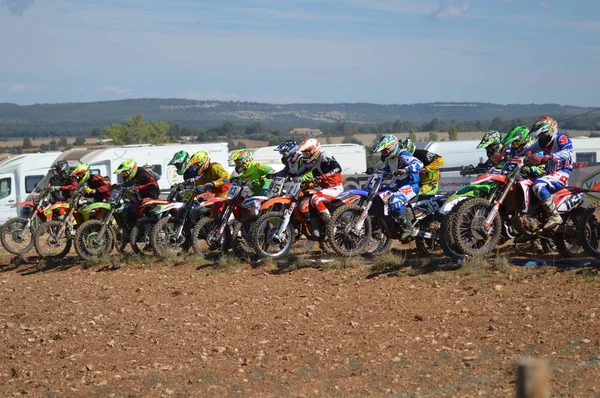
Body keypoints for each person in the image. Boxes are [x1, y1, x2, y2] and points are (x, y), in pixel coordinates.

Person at [522, 116, 574, 230]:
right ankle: (531, 219)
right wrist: (510, 157)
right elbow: (527, 152)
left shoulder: (560, 138)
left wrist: (548, 157)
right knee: (525, 183)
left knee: (538, 185)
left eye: (542, 134)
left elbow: (568, 152)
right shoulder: (540, 142)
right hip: (549, 174)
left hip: (562, 172)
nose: (540, 137)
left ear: (550, 131)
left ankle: (554, 216)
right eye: (539, 135)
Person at [372, 135, 424, 240]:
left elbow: (419, 163)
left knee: (395, 200)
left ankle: (408, 228)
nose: (383, 153)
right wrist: (374, 171)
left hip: (410, 185)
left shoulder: (402, 154)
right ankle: (381, 224)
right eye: (382, 151)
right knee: (378, 197)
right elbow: (386, 169)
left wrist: (407, 169)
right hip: (397, 185)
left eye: (385, 150)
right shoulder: (391, 158)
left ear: (393, 146)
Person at [297, 138, 343, 224]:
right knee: (305, 196)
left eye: (306, 152)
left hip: (334, 188)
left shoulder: (324, 156)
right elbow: (300, 172)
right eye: (303, 153)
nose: (305, 155)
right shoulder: (313, 160)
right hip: (323, 188)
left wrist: (323, 177)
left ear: (314, 150)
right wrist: (291, 178)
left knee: (316, 199)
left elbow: (337, 168)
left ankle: (331, 225)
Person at [113, 158, 160, 223]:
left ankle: (147, 226)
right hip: (141, 195)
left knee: (137, 209)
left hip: (151, 195)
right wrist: (118, 185)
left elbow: (153, 183)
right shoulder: (134, 175)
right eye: (123, 173)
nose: (124, 175)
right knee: (128, 208)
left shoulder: (143, 173)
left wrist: (138, 187)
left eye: (124, 173)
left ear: (131, 170)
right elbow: (129, 183)